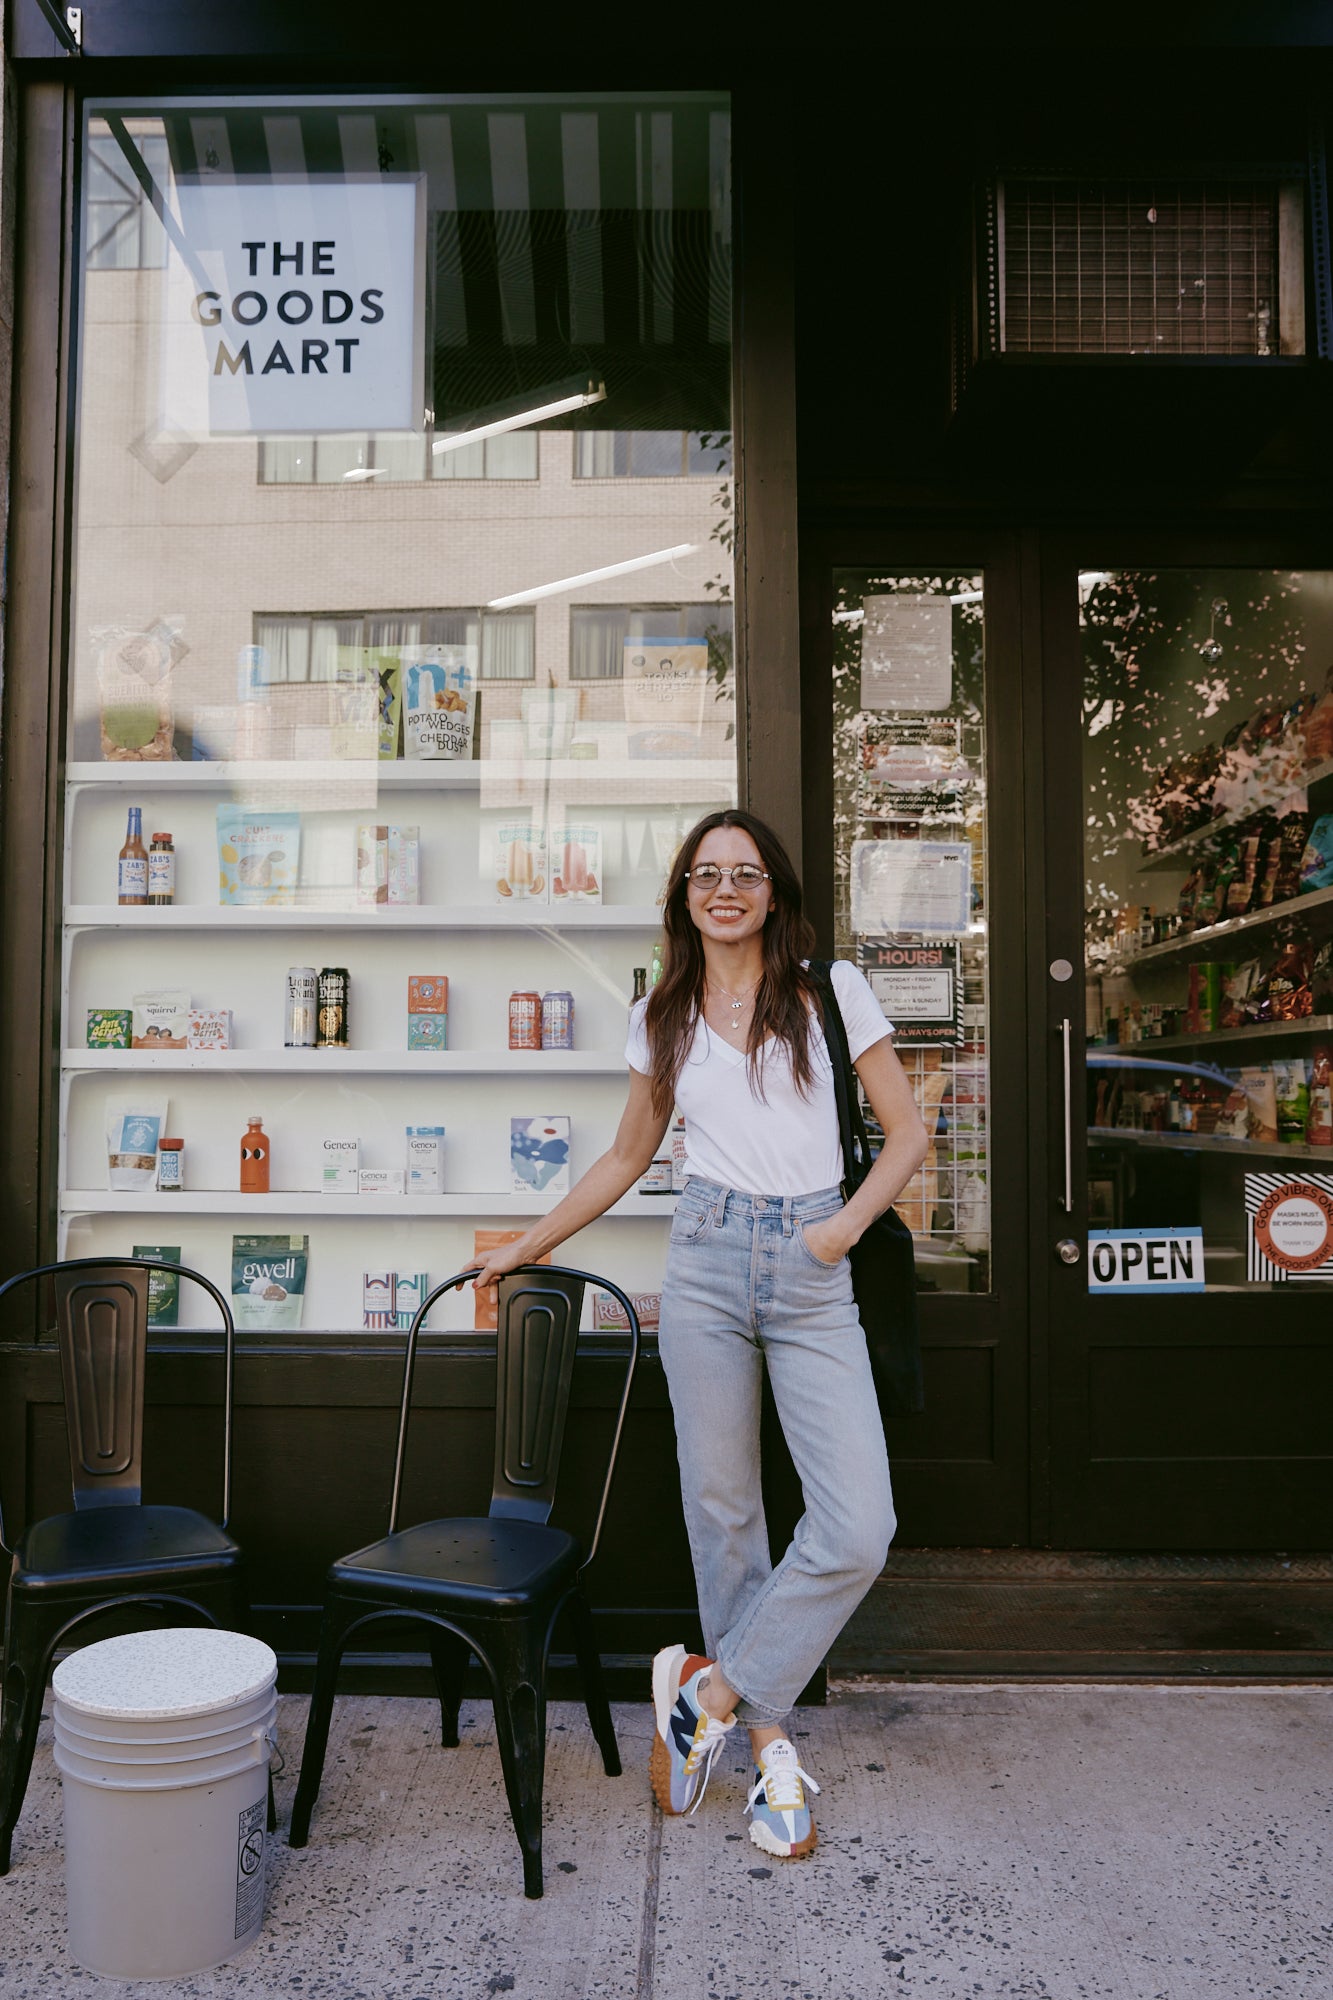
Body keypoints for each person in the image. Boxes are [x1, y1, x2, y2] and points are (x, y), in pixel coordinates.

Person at [473, 808, 927, 1860]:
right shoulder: (661, 1011)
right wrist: (527, 1244)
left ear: (775, 890)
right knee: (724, 1510)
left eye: (747, 873)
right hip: (709, 1257)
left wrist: (841, 1230)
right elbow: (627, 1154)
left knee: (858, 1522)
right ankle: (766, 1743)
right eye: (706, 873)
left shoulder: (828, 991)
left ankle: (707, 1692)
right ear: (684, 892)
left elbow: (907, 1131)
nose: (726, 888)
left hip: (814, 1262)